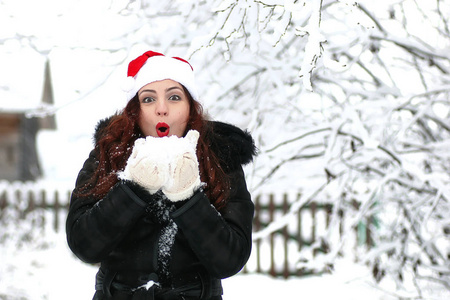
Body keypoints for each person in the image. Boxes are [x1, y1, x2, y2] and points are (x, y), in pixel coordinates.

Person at [66, 50, 257, 300]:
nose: (162, 109)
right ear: (134, 110)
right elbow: (84, 245)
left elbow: (230, 260)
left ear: (191, 108)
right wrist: (132, 190)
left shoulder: (220, 158)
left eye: (174, 97)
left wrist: (189, 198)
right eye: (148, 99)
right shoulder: (108, 154)